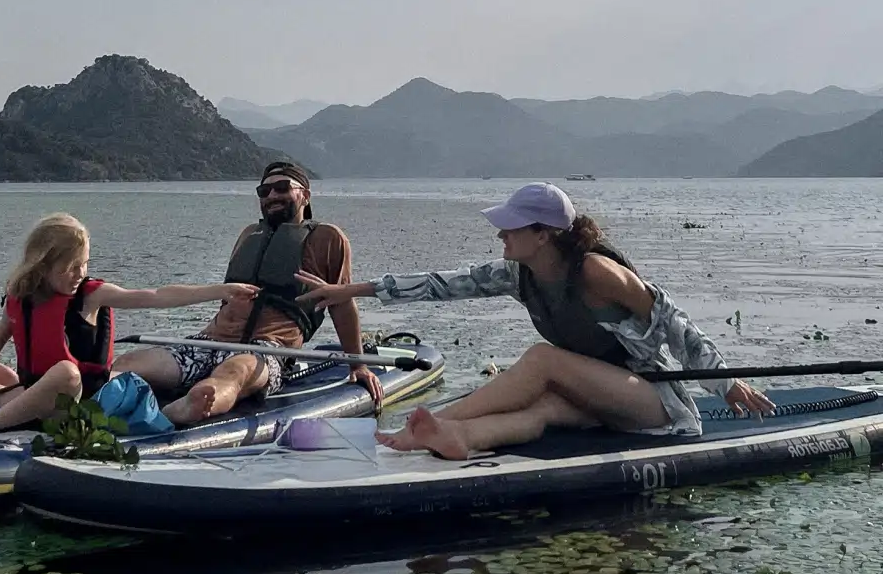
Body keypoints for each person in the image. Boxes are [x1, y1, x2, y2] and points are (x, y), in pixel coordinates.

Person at [294, 182, 775, 460]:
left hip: (655, 404)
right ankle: (456, 436)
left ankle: (426, 425)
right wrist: (350, 291)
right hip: (595, 399)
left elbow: (673, 322)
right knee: (542, 408)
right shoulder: (518, 274)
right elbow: (442, 284)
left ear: (543, 234)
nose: (501, 233)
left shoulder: (596, 271)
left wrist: (728, 384)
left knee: (543, 360)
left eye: (512, 226)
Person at [0, 212, 260, 439]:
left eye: (84, 264)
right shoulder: (23, 296)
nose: (79, 274)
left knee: (67, 372)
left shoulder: (90, 295)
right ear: (43, 264)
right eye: (71, 266)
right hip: (37, 395)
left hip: (80, 404)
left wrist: (220, 290)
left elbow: (154, 295)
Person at [111, 161, 384, 426]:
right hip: (209, 342)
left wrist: (357, 365)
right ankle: (97, 402)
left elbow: (342, 304)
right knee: (128, 363)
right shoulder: (249, 234)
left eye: (282, 187)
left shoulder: (328, 237)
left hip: (267, 349)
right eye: (264, 192)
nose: (272, 196)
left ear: (305, 195)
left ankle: (189, 407)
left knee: (233, 373)